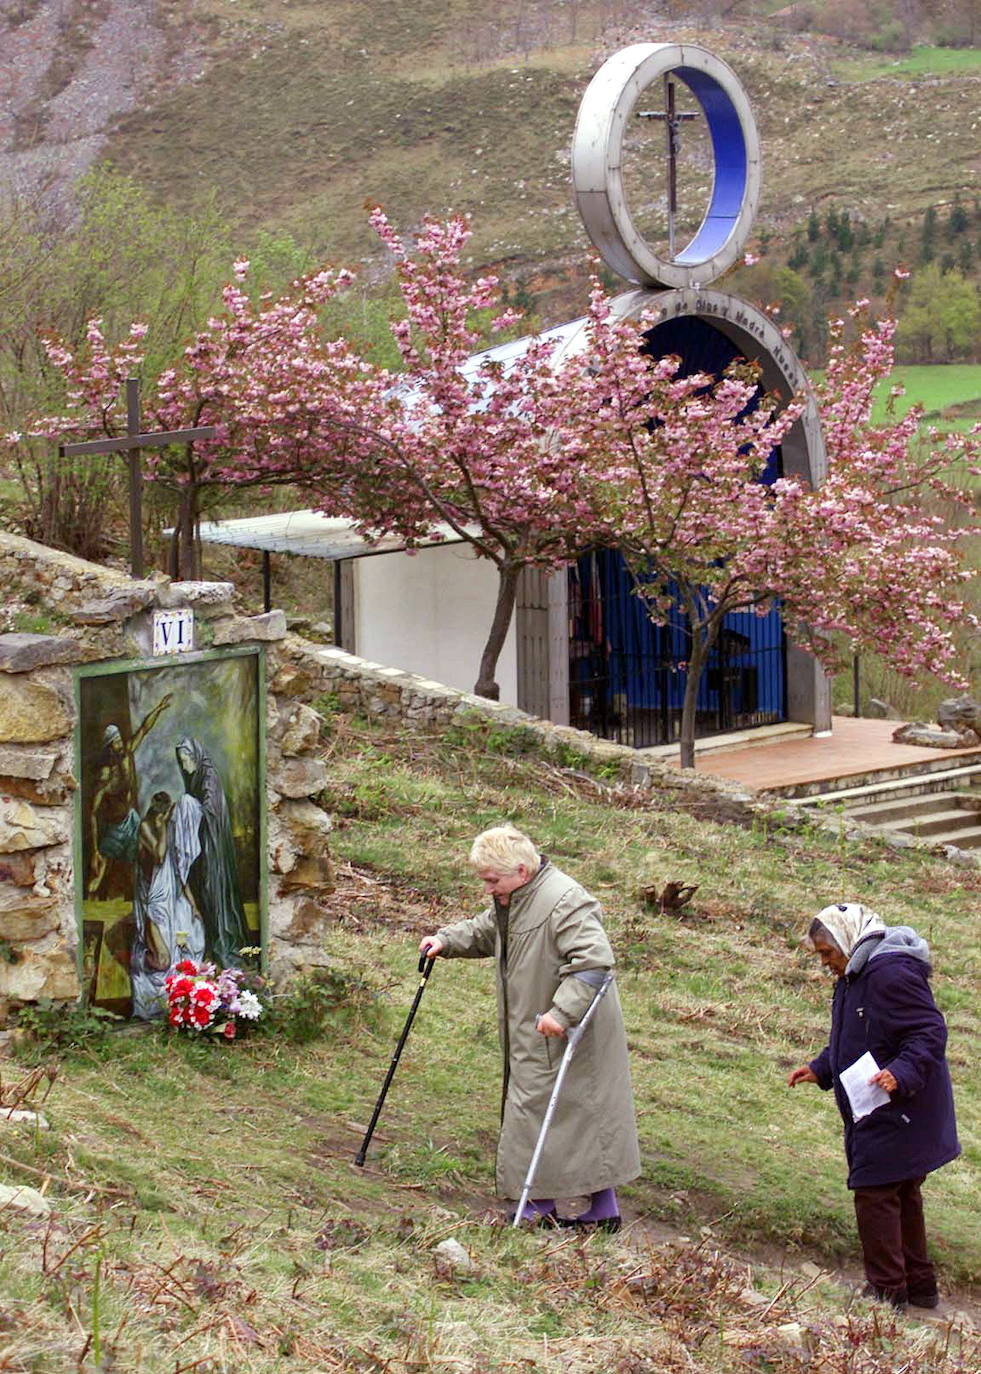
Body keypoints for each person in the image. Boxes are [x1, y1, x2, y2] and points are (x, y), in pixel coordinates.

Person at [419, 824, 640, 1229]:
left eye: (492, 880)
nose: (487, 888)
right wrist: (446, 941)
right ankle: (603, 1210)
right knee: (577, 1112)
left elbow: (593, 963)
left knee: (536, 1108)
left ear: (521, 871)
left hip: (563, 1027)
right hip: (541, 1025)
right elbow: (490, 930)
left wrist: (561, 1013)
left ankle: (535, 1208)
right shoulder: (518, 898)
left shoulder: (565, 902)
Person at [787, 902, 960, 1311]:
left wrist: (900, 1073)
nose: (825, 964)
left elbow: (929, 1031)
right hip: (885, 1103)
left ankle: (886, 1294)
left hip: (898, 1105)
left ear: (847, 940)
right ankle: (919, 1288)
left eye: (827, 954)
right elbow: (855, 1039)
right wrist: (820, 1068)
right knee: (900, 1192)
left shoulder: (888, 973)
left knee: (874, 1192)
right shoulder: (855, 975)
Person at [175, 737, 251, 969]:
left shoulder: (209, 777)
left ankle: (222, 942)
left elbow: (212, 811)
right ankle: (208, 946)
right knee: (201, 893)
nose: (185, 765)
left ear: (196, 756)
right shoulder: (194, 778)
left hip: (213, 848)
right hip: (202, 847)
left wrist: (191, 808)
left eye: (186, 759)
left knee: (212, 891)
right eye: (181, 761)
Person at [130, 789, 206, 1020]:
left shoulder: (170, 832)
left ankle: (182, 999)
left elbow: (179, 878)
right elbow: (159, 856)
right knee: (161, 953)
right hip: (153, 895)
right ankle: (156, 1004)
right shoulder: (145, 826)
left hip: (168, 896)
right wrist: (162, 827)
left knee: (190, 936)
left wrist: (193, 906)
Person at [87, 695, 174, 897]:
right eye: (115, 742)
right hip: (115, 825)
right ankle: (89, 902)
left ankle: (144, 896)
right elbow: (92, 813)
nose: (119, 744)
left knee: (140, 858)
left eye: (119, 739)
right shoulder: (105, 776)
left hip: (131, 819)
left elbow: (144, 729)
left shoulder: (126, 755)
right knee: (100, 869)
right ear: (109, 746)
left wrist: (159, 708)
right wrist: (94, 850)